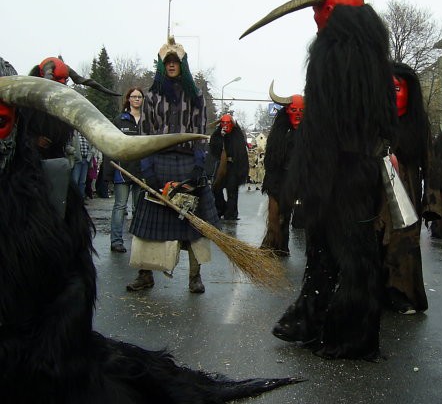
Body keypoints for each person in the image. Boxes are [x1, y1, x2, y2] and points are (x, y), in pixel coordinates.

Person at [0, 68, 295, 402]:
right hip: (157, 182)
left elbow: (201, 155)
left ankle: (194, 277)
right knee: (146, 232)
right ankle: (145, 275)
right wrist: (156, 179)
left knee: (193, 236)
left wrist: (188, 182)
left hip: (187, 184)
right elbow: (146, 150)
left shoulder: (193, 121)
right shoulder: (151, 117)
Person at [241, 0, 397, 360]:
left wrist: (315, 167)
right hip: (340, 173)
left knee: (352, 255)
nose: (314, 17)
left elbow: (329, 126)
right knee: (325, 250)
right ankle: (315, 322)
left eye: (318, 10)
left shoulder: (338, 57)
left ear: (332, 13)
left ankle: (349, 335)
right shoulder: (367, 58)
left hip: (344, 175)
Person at [127, 37, 218, 294]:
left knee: (194, 226)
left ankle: (195, 277)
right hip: (159, 162)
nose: (171, 65)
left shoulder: (196, 96)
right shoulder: (152, 96)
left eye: (175, 61)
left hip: (189, 163)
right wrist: (147, 170)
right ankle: (145, 274)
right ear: (161, 65)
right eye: (166, 61)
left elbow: (200, 134)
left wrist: (199, 167)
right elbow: (145, 135)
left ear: (183, 64)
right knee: (147, 226)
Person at [381, 62, 434, 314]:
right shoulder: (372, 120)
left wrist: (431, 203)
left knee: (404, 241)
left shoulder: (419, 123)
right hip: (373, 190)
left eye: (397, 88)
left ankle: (401, 292)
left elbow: (430, 163)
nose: (392, 94)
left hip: (408, 190)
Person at [259, 85, 305, 256]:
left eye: (302, 110)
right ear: (287, 112)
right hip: (279, 180)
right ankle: (276, 245)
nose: (298, 114)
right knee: (277, 215)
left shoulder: (310, 135)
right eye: (294, 110)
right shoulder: (279, 135)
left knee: (294, 217)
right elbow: (271, 160)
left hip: (300, 181)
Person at [103, 87, 145, 253]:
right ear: (128, 99)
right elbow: (110, 145)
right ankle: (116, 241)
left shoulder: (147, 121)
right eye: (133, 96)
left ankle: (139, 241)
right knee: (120, 206)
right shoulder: (119, 120)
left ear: (142, 100)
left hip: (141, 171)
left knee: (139, 208)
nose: (136, 99)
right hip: (122, 170)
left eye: (139, 97)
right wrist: (107, 174)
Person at [209, 113, 249, 220]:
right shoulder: (217, 134)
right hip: (221, 165)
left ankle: (231, 213)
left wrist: (241, 170)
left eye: (227, 123)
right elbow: (213, 148)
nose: (225, 125)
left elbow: (241, 152)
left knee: (232, 191)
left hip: (233, 166)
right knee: (216, 188)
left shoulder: (237, 134)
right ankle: (221, 208)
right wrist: (220, 138)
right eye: (223, 123)